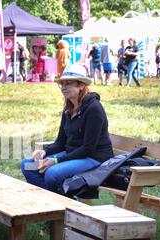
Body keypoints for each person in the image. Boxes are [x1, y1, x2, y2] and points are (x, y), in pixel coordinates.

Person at [21, 64, 113, 194]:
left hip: (94, 158)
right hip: (73, 154)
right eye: (62, 84)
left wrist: (56, 160)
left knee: (52, 173)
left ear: (81, 85)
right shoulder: (69, 109)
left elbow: (88, 148)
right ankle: (58, 201)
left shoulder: (94, 109)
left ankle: (61, 204)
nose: (63, 88)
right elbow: (60, 142)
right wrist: (45, 152)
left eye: (68, 84)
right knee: (28, 166)